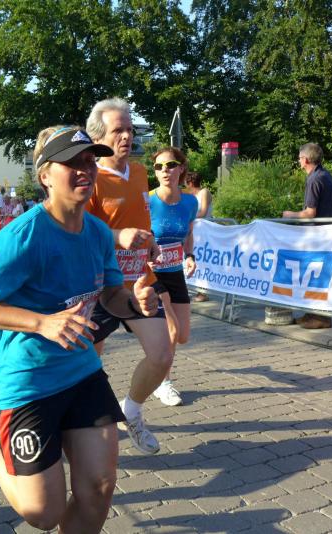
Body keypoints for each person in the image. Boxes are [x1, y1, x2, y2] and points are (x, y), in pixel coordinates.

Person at [0, 126, 161, 533]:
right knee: (43, 513)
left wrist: (135, 305)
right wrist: (42, 323)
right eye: (72, 162)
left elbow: (111, 296)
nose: (85, 169)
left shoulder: (98, 232)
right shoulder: (24, 236)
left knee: (99, 487)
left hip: (82, 373)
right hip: (29, 383)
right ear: (45, 176)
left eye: (90, 161)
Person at [84, 97, 174, 452]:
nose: (126, 136)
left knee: (162, 355)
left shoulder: (138, 172)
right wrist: (116, 236)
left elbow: (141, 217)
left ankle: (131, 411)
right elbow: (79, 231)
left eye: (130, 129)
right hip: (99, 286)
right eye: (118, 130)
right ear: (98, 137)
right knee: (88, 366)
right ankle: (80, 429)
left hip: (139, 283)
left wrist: (149, 242)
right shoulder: (88, 177)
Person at [147, 147, 199, 406]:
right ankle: (163, 383)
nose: (164, 171)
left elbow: (188, 234)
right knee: (171, 330)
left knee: (183, 335)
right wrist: (145, 256)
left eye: (170, 165)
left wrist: (189, 256)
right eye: (159, 167)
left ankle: (154, 363)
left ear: (181, 168)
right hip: (151, 274)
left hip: (175, 272)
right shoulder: (147, 201)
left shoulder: (190, 202)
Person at [283, 142, 332, 329]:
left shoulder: (314, 179)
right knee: (315, 274)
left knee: (316, 275)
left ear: (305, 159)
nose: (298, 161)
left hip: (318, 234)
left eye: (299, 158)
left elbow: (310, 213)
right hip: (325, 233)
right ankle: (312, 313)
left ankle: (321, 317)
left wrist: (290, 214)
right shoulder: (325, 175)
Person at [185, 171, 213, 302]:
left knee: (203, 261)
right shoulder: (190, 195)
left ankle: (203, 292)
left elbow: (203, 212)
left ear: (190, 182)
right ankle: (189, 288)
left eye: (186, 183)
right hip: (193, 232)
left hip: (205, 232)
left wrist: (187, 217)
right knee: (190, 259)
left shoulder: (204, 192)